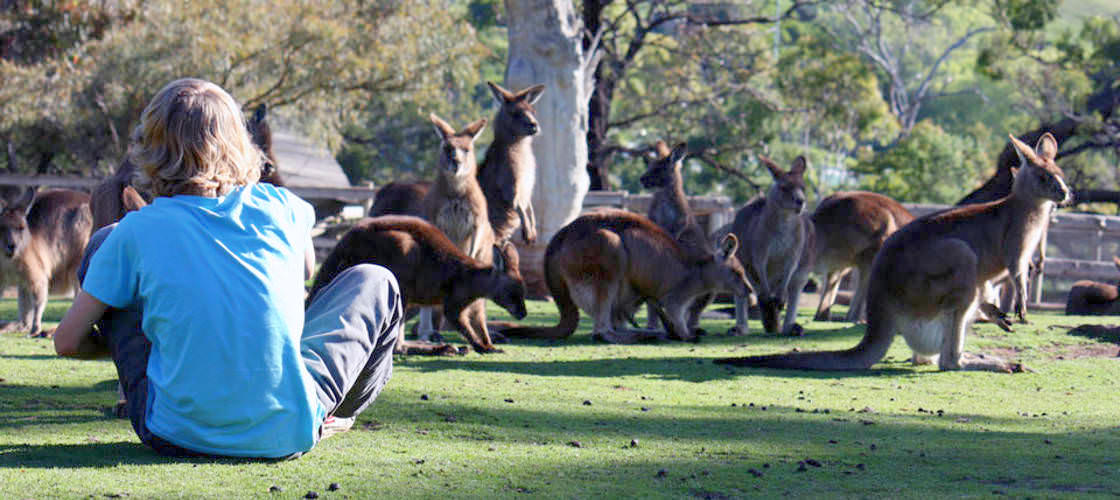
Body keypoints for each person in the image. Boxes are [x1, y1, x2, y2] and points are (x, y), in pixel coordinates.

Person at [53, 78, 401, 459]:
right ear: (239, 141)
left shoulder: (137, 230)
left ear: (151, 145)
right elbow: (303, 271)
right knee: (377, 280)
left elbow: (67, 342)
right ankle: (330, 414)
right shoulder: (285, 207)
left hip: (174, 434)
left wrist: (147, 343)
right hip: (288, 435)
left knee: (106, 243)